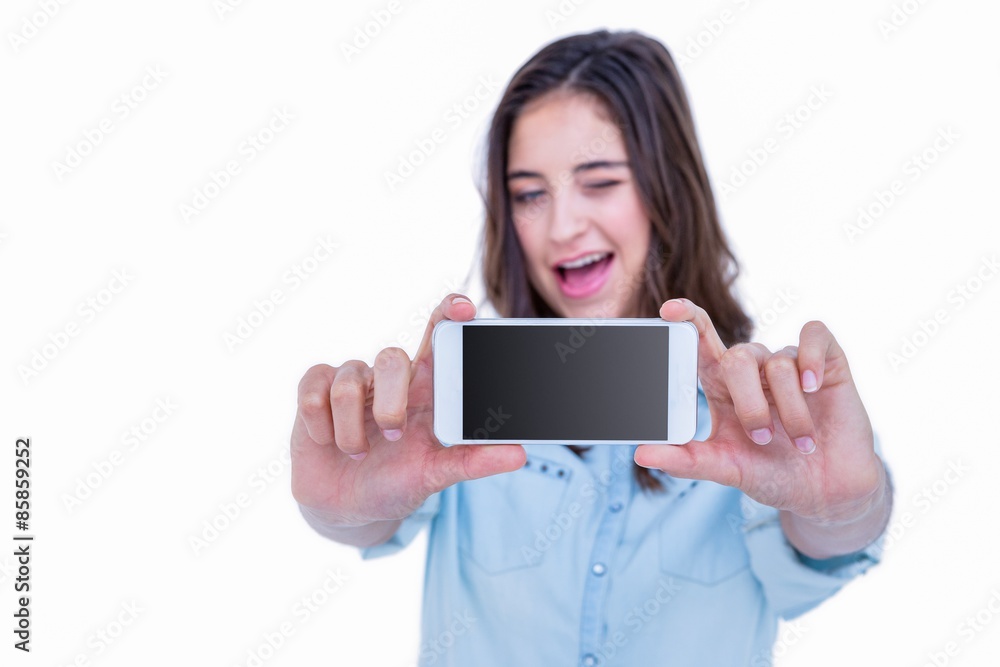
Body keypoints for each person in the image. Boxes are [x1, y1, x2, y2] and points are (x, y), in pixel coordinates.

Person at [290, 29, 894, 666]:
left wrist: (845, 507)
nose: (562, 226)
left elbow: (829, 542)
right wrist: (343, 509)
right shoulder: (455, 399)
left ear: (668, 191)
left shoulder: (765, 411)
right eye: (529, 194)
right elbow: (368, 519)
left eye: (599, 181)